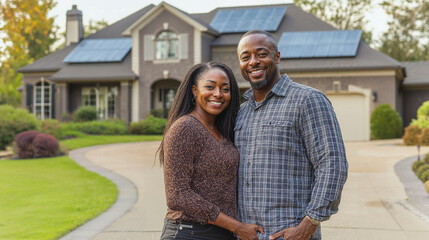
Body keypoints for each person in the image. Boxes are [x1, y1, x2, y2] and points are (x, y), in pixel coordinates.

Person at [234, 30, 348, 240]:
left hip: (290, 234)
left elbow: (333, 164)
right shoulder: (242, 113)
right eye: (245, 57)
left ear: (277, 57)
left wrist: (309, 224)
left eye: (261, 54)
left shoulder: (307, 100)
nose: (253, 62)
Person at [159, 61, 264, 240]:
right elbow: (178, 196)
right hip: (190, 232)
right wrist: (237, 227)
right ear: (194, 90)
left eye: (225, 89)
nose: (218, 94)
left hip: (219, 232)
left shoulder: (221, 130)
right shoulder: (185, 127)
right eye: (210, 87)